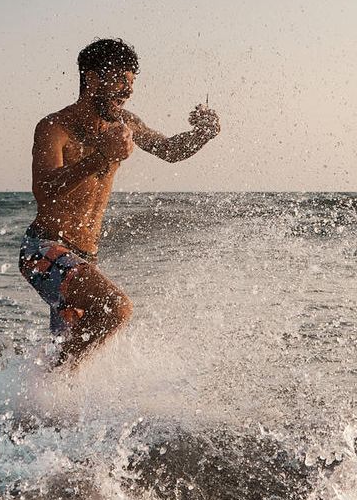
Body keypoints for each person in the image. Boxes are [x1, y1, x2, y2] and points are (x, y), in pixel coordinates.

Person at [21, 38, 221, 365]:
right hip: (43, 251)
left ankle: (38, 404)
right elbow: (45, 190)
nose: (127, 94)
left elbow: (169, 150)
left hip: (85, 258)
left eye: (131, 86)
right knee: (116, 308)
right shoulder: (55, 127)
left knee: (69, 349)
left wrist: (203, 133)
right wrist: (101, 157)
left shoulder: (125, 124)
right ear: (93, 78)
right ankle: (53, 385)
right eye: (120, 84)